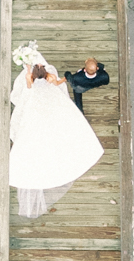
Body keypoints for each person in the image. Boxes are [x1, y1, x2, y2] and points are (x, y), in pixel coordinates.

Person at [8, 48, 104, 218]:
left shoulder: (29, 78)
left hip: (35, 99)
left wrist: (27, 67)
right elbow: (57, 83)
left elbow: (28, 87)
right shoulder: (50, 77)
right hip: (47, 97)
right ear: (43, 71)